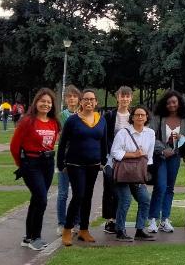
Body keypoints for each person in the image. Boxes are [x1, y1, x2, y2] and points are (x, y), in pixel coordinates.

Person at [10, 88, 60, 251]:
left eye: (48, 102)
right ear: (36, 102)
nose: (45, 104)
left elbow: (52, 143)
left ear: (52, 105)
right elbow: (14, 146)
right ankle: (36, 237)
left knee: (37, 199)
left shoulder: (54, 122)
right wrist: (21, 165)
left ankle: (28, 236)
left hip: (47, 163)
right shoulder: (27, 121)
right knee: (42, 199)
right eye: (42, 101)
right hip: (31, 164)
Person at [57, 88, 107, 247]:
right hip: (74, 164)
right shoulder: (73, 120)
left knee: (88, 197)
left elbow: (104, 142)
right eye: (86, 99)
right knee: (78, 195)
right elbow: (63, 143)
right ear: (81, 102)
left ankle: (84, 230)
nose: (89, 102)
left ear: (96, 102)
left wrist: (103, 160)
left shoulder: (101, 120)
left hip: (93, 164)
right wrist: (60, 164)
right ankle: (67, 228)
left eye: (92, 99)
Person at [146, 91, 185, 234]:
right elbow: (150, 137)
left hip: (175, 158)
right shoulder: (158, 118)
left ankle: (165, 219)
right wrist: (163, 150)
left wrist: (181, 137)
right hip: (160, 157)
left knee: (170, 188)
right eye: (168, 103)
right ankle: (152, 219)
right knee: (160, 186)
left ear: (179, 103)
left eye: (174, 102)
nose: (171, 105)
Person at [111, 105, 156, 242]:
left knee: (145, 199)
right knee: (125, 200)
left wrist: (144, 174)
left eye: (143, 115)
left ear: (147, 117)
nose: (140, 117)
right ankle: (120, 230)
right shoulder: (123, 133)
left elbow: (149, 156)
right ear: (132, 117)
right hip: (123, 173)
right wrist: (134, 154)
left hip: (137, 173)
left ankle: (140, 230)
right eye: (137, 115)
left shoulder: (150, 133)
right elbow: (115, 152)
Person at [101, 86, 133, 235]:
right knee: (110, 187)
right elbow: (105, 136)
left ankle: (120, 219)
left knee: (124, 189)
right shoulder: (109, 115)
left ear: (131, 98)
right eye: (122, 96)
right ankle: (110, 219)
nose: (125, 99)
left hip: (128, 158)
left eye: (127, 96)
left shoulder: (134, 116)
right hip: (111, 156)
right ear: (117, 97)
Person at [56, 85, 81, 234]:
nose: (72, 99)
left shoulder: (83, 114)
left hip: (80, 159)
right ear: (65, 99)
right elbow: (60, 137)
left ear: (79, 99)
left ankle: (76, 222)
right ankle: (61, 222)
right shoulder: (61, 116)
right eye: (69, 96)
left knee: (78, 192)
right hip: (65, 158)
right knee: (63, 193)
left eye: (74, 96)